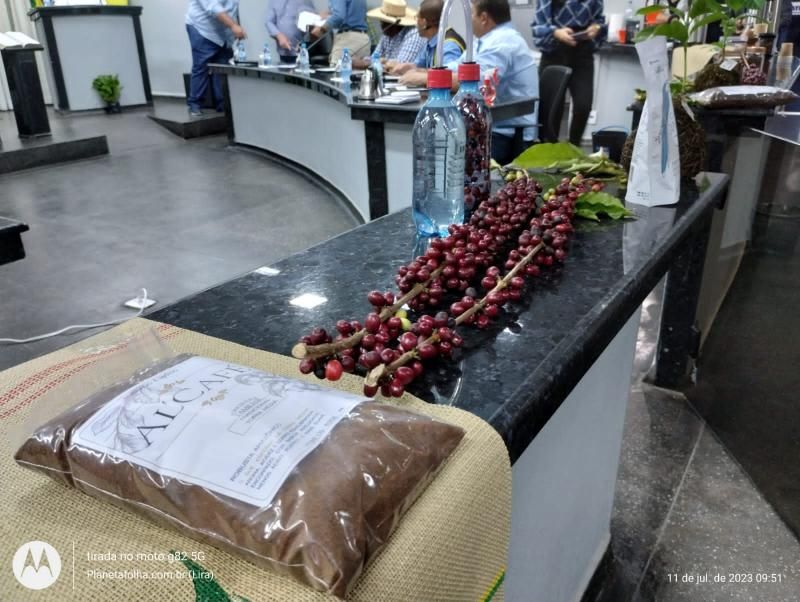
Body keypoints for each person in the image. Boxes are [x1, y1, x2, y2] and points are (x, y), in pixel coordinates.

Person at [448, 0, 538, 165]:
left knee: (445, 149)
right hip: (492, 124)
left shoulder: (502, 42)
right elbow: (455, 67)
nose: (469, 19)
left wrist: (424, 78)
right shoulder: (485, 40)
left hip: (505, 133)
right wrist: (421, 73)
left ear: (484, 18)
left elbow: (473, 83)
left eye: (472, 14)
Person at [532, 0, 606, 145]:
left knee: (583, 106)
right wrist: (555, 32)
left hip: (583, 51)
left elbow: (599, 20)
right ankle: (549, 148)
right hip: (554, 50)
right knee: (551, 109)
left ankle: (574, 147)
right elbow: (538, 25)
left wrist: (596, 27)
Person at [185, 0, 246, 117]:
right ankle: (195, 104)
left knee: (222, 68)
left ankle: (223, 105)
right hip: (202, 28)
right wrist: (234, 26)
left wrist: (235, 28)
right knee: (201, 66)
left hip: (223, 31)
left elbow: (232, 8)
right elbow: (213, 7)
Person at [386, 0, 464, 78]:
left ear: (424, 23)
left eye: (417, 17)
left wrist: (418, 73)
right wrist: (409, 67)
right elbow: (420, 65)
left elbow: (447, 76)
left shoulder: (448, 45)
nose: (416, 22)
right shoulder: (431, 41)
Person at [352, 0, 426, 68]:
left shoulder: (413, 34)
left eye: (385, 22)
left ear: (395, 23)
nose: (381, 25)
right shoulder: (387, 34)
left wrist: (367, 63)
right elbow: (375, 57)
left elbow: (400, 66)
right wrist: (362, 60)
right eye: (381, 21)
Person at [311, 0, 369, 66]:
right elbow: (353, 12)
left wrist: (322, 29)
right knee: (358, 71)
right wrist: (330, 13)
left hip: (348, 39)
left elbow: (338, 16)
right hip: (363, 39)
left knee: (337, 69)